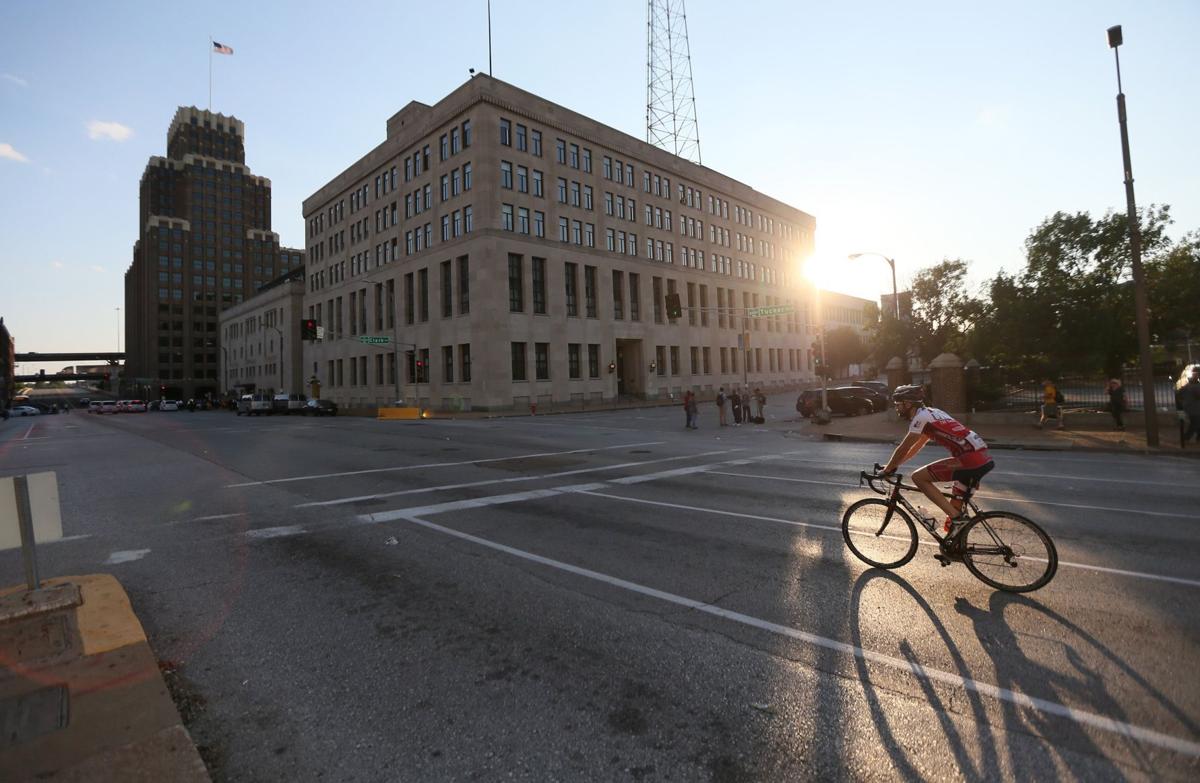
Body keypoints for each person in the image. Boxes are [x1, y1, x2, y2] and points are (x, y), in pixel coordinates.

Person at [880, 385, 994, 537]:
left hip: (970, 459)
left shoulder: (920, 418)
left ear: (908, 404)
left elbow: (904, 447)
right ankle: (956, 547)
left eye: (898, 405)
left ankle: (956, 518)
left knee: (918, 477)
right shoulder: (933, 413)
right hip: (982, 457)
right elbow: (916, 446)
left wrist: (887, 470)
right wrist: (893, 466)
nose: (897, 408)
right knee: (955, 505)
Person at [1178, 367, 1200, 445]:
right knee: (1195, 423)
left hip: (1190, 407)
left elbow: (1179, 393)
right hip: (1194, 408)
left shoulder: (1188, 385)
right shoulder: (1195, 386)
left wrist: (1182, 401)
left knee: (1196, 422)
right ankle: (1186, 437)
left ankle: (1197, 437)